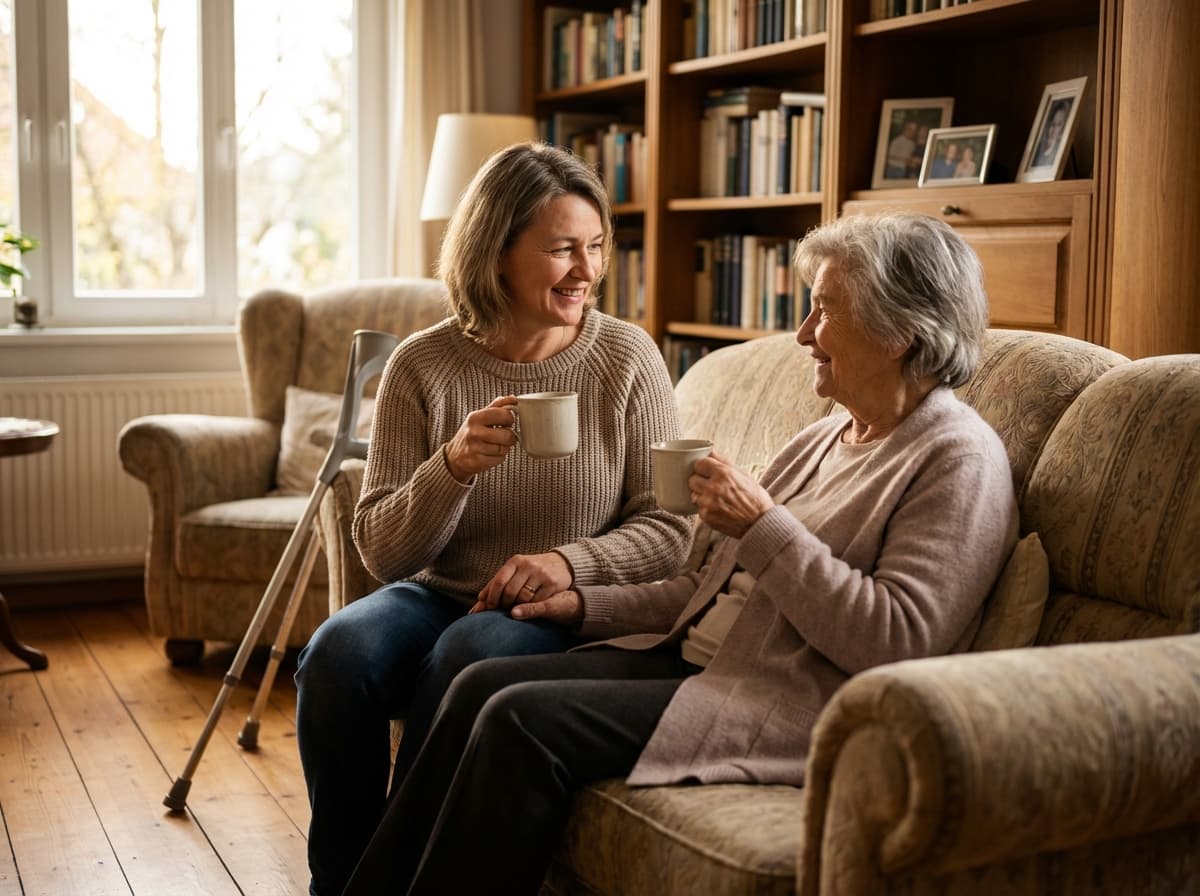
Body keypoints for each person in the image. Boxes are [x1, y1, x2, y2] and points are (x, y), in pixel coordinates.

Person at [341, 212, 1021, 895]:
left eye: (824, 310)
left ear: (900, 330)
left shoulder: (956, 458)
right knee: (480, 682)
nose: (804, 335)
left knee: (519, 721)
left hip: (782, 701)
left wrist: (763, 524)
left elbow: (897, 641)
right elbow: (701, 591)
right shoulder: (827, 437)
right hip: (701, 662)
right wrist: (577, 605)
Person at [294, 142, 694, 896]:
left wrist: (566, 563)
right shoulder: (423, 364)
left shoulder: (629, 360)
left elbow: (670, 531)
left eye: (596, 247)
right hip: (438, 589)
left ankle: (397, 882)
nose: (587, 269)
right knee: (337, 655)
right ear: (497, 253)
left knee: (470, 649)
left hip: (551, 605)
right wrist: (451, 469)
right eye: (562, 249)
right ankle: (340, 884)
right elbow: (383, 551)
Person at [1033, 103, 1069, 168]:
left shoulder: (1058, 153)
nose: (1054, 128)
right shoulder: (1038, 147)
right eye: (1053, 123)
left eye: (1059, 125)